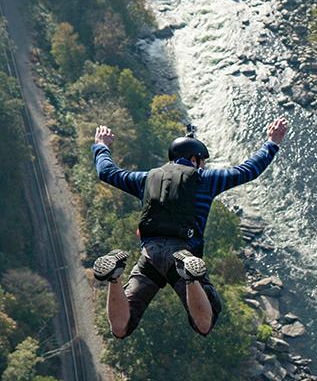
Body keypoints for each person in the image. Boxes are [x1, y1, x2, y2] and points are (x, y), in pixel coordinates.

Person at [90, 117, 288, 338]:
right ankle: (190, 276)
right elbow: (248, 170)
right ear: (194, 159)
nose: (203, 166)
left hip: (150, 256)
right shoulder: (205, 178)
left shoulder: (146, 178)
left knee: (120, 328)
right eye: (202, 161)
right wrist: (272, 142)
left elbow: (107, 172)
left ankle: (114, 277)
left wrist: (101, 146)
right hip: (183, 253)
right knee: (205, 323)